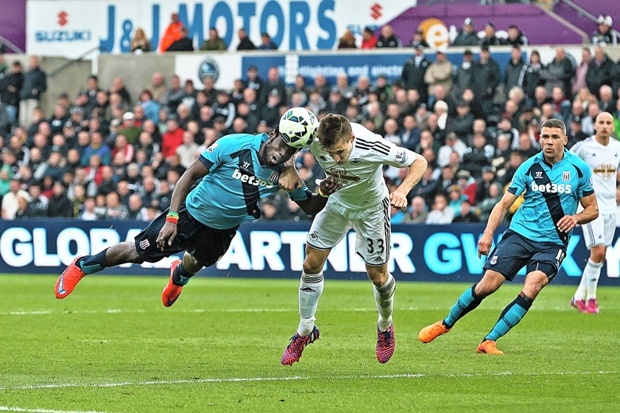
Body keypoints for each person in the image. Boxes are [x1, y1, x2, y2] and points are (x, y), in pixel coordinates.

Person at [54, 114, 341, 305]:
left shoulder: (286, 174)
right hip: (188, 216)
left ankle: (178, 276)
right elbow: (188, 176)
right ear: (274, 132)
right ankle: (83, 265)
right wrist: (172, 218)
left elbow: (311, 208)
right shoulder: (234, 144)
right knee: (135, 251)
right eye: (284, 144)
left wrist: (323, 192)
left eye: (294, 150)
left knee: (196, 263)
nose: (285, 152)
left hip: (223, 231)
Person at [418, 119, 598, 355]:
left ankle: (489, 340)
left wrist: (575, 218)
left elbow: (593, 209)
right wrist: (487, 233)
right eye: (545, 137)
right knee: (487, 285)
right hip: (520, 234)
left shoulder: (579, 169)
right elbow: (503, 204)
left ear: (565, 140)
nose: (549, 142)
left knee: (532, 287)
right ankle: (445, 324)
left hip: (553, 242)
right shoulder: (528, 167)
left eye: (555, 137)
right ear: (539, 139)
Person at [280, 113, 428, 365]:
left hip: (371, 209)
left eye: (340, 152)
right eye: (331, 154)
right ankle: (305, 330)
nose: (336, 159)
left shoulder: (372, 146)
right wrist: (290, 170)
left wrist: (402, 190)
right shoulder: (315, 138)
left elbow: (419, 161)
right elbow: (283, 147)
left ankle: (385, 325)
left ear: (352, 137)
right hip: (335, 203)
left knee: (378, 277)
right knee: (310, 264)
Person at [570, 112, 620, 313]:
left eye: (609, 122)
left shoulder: (617, 147)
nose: (605, 126)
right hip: (591, 206)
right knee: (597, 251)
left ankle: (579, 297)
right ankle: (591, 298)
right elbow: (567, 162)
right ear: (595, 126)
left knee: (601, 254)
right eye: (602, 122)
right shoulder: (584, 147)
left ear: (613, 126)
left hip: (611, 206)